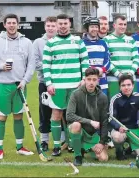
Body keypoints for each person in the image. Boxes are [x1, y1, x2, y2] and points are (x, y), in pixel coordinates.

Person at [0, 13, 36, 159]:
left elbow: (31, 64)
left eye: (14, 23)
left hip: (20, 85)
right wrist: (1, 66)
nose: (12, 25)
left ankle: (20, 147)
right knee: (1, 116)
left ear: (18, 24)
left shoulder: (27, 42)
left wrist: (25, 80)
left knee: (19, 116)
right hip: (3, 85)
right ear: (4, 24)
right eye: (9, 23)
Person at [42, 14, 90, 156]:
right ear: (56, 25)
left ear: (70, 25)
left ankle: (74, 144)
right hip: (58, 87)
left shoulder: (78, 41)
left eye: (65, 23)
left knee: (74, 116)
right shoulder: (50, 43)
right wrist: (49, 84)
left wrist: (83, 79)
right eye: (60, 24)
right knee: (56, 115)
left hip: (75, 86)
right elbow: (46, 66)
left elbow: (85, 61)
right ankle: (56, 146)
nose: (63, 26)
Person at [66, 68, 110, 166]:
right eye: (89, 79)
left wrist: (102, 142)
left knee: (103, 158)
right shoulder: (75, 94)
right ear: (84, 79)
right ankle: (78, 156)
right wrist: (90, 122)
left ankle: (85, 148)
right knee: (76, 125)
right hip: (78, 129)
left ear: (98, 80)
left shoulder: (102, 97)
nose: (91, 82)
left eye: (94, 80)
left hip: (92, 134)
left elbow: (104, 121)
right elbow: (69, 116)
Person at [33, 16, 58, 152]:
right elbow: (35, 62)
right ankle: (44, 141)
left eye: (53, 26)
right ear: (45, 27)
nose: (50, 28)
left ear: (57, 27)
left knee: (61, 112)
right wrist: (50, 66)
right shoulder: (38, 43)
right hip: (44, 83)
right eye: (48, 26)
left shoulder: (60, 41)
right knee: (44, 112)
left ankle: (61, 141)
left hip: (60, 83)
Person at [109, 74, 139, 160]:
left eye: (129, 85)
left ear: (133, 85)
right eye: (123, 85)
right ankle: (119, 152)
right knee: (117, 137)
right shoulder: (115, 99)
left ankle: (129, 149)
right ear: (120, 87)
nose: (126, 87)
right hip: (120, 130)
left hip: (134, 130)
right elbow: (111, 118)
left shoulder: (138, 97)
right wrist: (118, 127)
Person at [104, 15, 139, 98]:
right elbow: (106, 61)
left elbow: (136, 59)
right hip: (114, 79)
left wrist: (130, 73)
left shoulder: (131, 40)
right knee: (114, 104)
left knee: (131, 106)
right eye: (120, 24)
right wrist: (118, 74)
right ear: (114, 25)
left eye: (124, 24)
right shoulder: (106, 40)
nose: (123, 27)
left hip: (130, 79)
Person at [82, 18, 110, 95]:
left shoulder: (103, 43)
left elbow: (108, 60)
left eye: (96, 27)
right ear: (87, 28)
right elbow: (82, 61)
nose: (94, 29)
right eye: (92, 27)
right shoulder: (82, 43)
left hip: (102, 82)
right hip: (88, 83)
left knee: (102, 105)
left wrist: (102, 69)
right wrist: (94, 71)